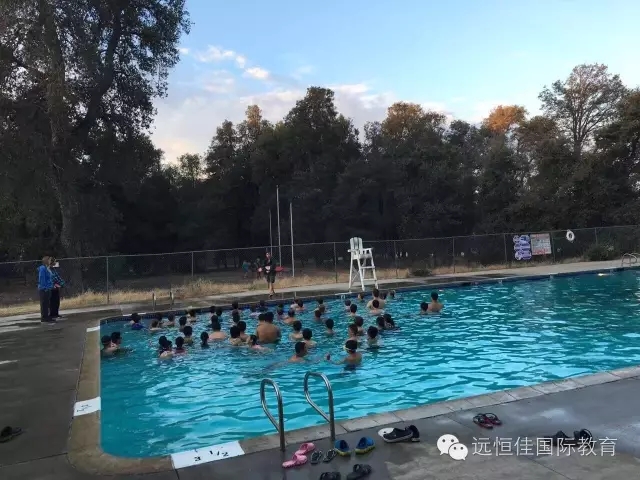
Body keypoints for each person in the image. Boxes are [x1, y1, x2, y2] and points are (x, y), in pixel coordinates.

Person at [37, 256, 54, 324]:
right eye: (49, 260)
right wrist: (45, 288)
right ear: (46, 261)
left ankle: (47, 316)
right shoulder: (42, 268)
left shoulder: (47, 268)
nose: (50, 261)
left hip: (48, 288)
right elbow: (42, 279)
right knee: (44, 304)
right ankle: (44, 318)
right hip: (44, 289)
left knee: (47, 304)